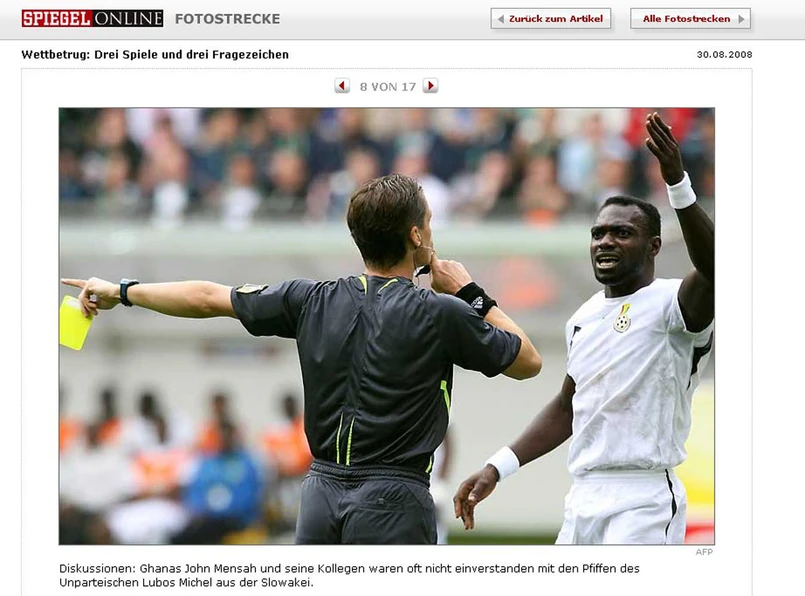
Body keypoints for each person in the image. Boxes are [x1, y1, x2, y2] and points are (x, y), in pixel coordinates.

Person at [62, 173, 542, 545]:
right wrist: (469, 291)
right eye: (430, 223)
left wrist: (121, 291)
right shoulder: (441, 311)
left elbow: (207, 297)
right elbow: (528, 360)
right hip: (395, 500)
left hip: (319, 497)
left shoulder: (310, 299)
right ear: (416, 235)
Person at [453, 113, 714, 545]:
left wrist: (677, 183)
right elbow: (566, 407)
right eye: (598, 233)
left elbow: (715, 266)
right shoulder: (583, 318)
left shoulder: (674, 303)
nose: (605, 241)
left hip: (644, 499)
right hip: (583, 497)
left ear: (653, 246)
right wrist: (497, 466)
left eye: (621, 233)